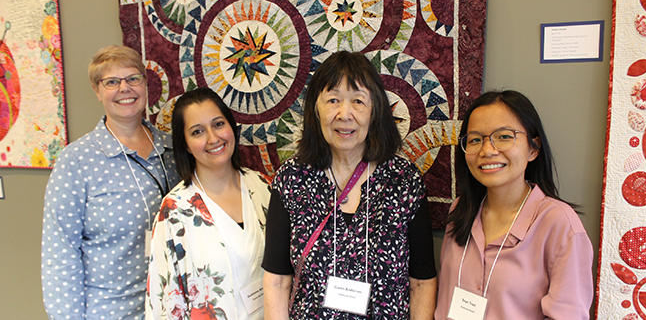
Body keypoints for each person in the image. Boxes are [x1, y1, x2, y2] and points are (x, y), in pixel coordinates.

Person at [262, 51, 437, 319]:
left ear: (375, 110)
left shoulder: (404, 181)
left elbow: (421, 283)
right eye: (333, 100)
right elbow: (277, 281)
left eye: (358, 101)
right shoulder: (291, 179)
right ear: (315, 109)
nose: (345, 114)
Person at [41, 45, 180, 319]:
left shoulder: (173, 151)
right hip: (112, 310)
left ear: (145, 83)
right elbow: (60, 254)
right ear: (97, 90)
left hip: (172, 306)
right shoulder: (77, 162)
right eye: (112, 82)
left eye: (133, 78)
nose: (124, 88)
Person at [435, 90, 593, 320]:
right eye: (475, 139)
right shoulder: (461, 209)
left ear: (533, 148)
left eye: (504, 136)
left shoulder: (558, 223)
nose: (487, 150)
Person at [147, 87, 271, 320]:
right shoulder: (175, 211)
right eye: (197, 132)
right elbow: (164, 302)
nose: (213, 138)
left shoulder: (262, 187)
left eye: (218, 124)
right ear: (184, 144)